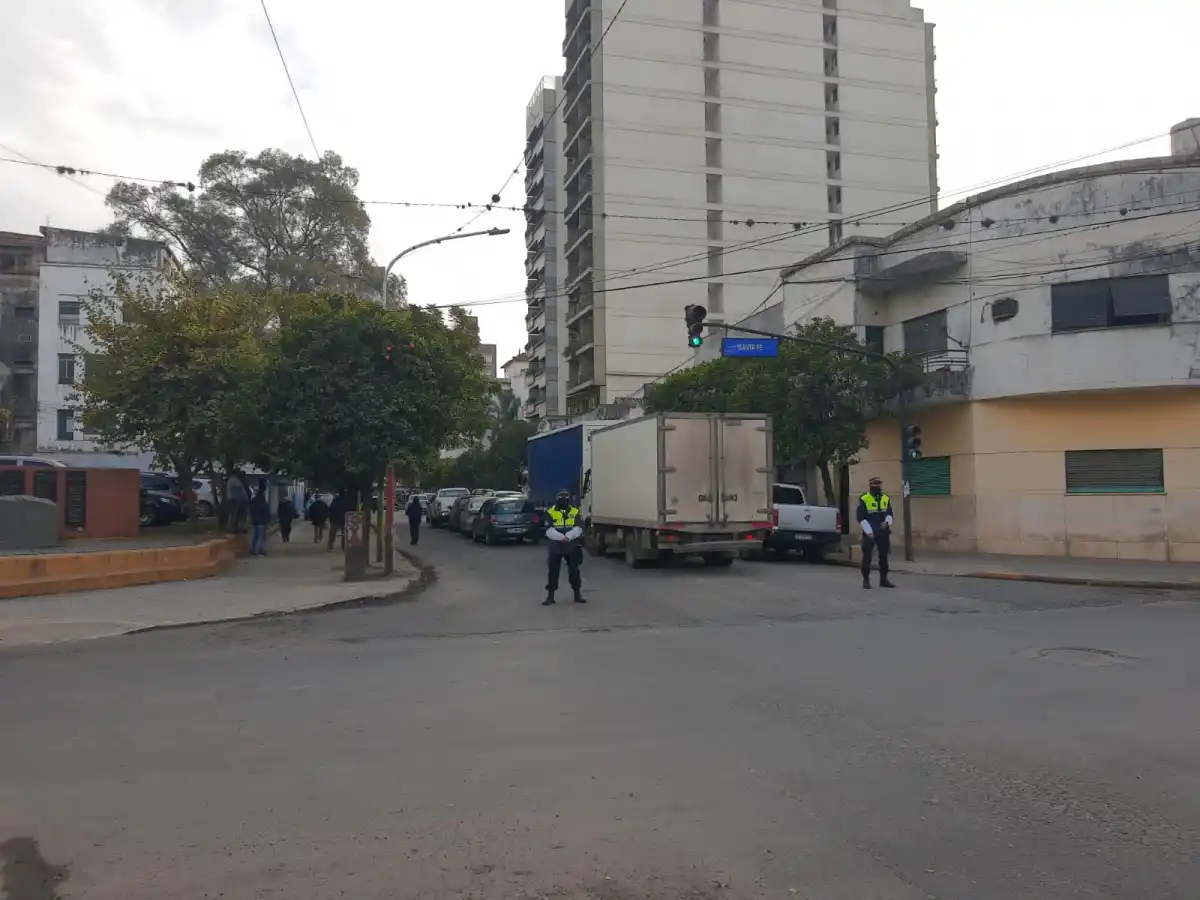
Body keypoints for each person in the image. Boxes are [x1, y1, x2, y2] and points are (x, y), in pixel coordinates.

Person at [543, 489, 585, 606]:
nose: (563, 502)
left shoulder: (575, 511)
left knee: (574, 571)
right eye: (561, 500)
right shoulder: (550, 512)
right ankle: (550, 596)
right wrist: (561, 537)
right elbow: (548, 529)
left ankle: (577, 594)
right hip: (555, 546)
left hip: (572, 546)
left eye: (565, 500)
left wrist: (568, 536)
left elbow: (580, 527)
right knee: (553, 572)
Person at [856, 476, 895, 589]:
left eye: (879, 485)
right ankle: (866, 580)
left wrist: (887, 522)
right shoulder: (864, 498)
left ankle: (884, 580)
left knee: (884, 556)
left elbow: (889, 513)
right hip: (870, 530)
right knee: (867, 557)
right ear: (870, 486)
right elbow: (860, 517)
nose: (877, 487)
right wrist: (868, 531)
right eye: (875, 485)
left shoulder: (885, 498)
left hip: (883, 531)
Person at [249, 482, 271, 557]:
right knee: (261, 537)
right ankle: (260, 551)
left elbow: (251, 510)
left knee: (255, 536)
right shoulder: (263, 502)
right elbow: (266, 511)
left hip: (255, 521)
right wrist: (268, 520)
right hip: (262, 521)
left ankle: (253, 550)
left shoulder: (254, 501)